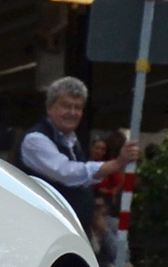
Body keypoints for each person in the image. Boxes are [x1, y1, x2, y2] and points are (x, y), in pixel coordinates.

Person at [20, 76, 136, 233]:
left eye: (78, 107)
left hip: (70, 233)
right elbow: (66, 173)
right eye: (66, 106)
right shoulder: (36, 140)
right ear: (49, 108)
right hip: (44, 232)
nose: (72, 113)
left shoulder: (72, 140)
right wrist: (116, 164)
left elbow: (80, 180)